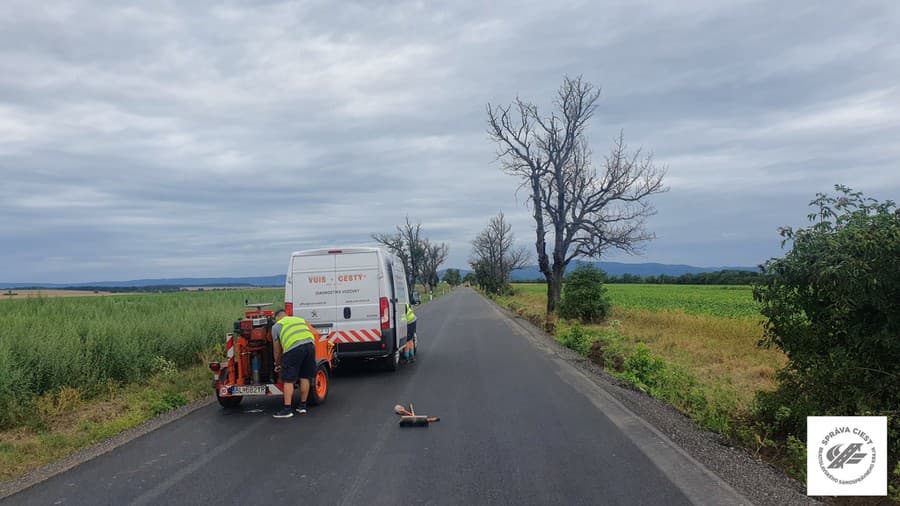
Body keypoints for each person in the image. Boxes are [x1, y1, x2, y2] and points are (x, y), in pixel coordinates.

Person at [271, 309, 318, 419]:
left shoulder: (276, 326)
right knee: (304, 377)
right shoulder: (300, 319)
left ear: (277, 318)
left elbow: (277, 350)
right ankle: (302, 406)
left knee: (288, 379)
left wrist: (277, 364)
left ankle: (287, 409)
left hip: (294, 349)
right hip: (310, 347)